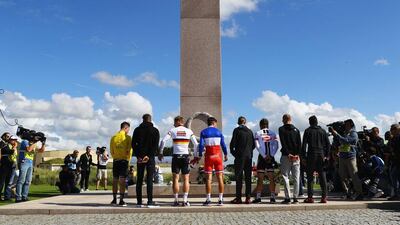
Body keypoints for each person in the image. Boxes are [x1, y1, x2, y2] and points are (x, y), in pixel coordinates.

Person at [158, 116, 198, 207]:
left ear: (178, 122)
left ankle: (176, 200)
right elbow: (196, 144)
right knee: (186, 179)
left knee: (175, 179)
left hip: (176, 156)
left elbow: (163, 141)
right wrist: (195, 156)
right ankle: (184, 200)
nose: (173, 124)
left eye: (174, 123)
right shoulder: (189, 131)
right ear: (182, 122)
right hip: (185, 157)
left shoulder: (172, 130)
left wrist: (160, 152)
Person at [196, 117, 228, 206]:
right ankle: (221, 199)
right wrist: (225, 154)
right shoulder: (219, 132)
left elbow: (201, 145)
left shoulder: (203, 132)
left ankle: (208, 199)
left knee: (208, 179)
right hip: (218, 156)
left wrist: (199, 155)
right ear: (214, 123)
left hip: (209, 156)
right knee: (220, 178)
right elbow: (223, 145)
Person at [331, 119, 363, 200]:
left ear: (351, 124)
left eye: (346, 124)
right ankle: (348, 192)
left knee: (354, 175)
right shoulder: (344, 133)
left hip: (351, 157)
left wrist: (337, 134)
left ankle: (359, 193)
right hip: (342, 157)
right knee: (343, 176)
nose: (344, 125)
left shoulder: (353, 133)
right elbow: (338, 143)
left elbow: (346, 141)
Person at [301, 115, 331, 203]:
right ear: (317, 122)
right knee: (322, 176)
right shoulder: (322, 131)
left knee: (310, 177)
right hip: (321, 155)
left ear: (310, 122)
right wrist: (327, 156)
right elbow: (328, 144)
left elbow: (304, 145)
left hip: (311, 154)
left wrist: (303, 156)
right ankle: (324, 197)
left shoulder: (308, 130)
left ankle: (310, 197)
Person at [132, 114, 160, 206]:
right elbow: (155, 145)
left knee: (139, 179)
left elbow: (133, 144)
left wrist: (138, 156)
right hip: (150, 157)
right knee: (149, 179)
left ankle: (139, 202)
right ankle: (150, 201)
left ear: (143, 120)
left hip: (140, 157)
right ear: (150, 120)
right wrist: (149, 155)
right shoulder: (155, 131)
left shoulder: (137, 130)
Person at [253, 118, 279, 204]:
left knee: (260, 179)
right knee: (271, 178)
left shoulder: (258, 133)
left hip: (262, 158)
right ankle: (272, 197)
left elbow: (257, 146)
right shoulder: (273, 133)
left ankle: (258, 197)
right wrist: (271, 155)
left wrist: (264, 156)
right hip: (271, 158)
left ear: (260, 125)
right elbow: (277, 146)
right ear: (268, 125)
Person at [229, 116, 255, 204]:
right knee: (248, 178)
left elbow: (232, 144)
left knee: (239, 177)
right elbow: (254, 145)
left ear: (238, 122)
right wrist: (249, 152)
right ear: (245, 122)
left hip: (239, 157)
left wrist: (234, 154)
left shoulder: (237, 130)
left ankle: (238, 198)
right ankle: (248, 198)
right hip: (249, 157)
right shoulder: (250, 131)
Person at [15, 134, 46, 203]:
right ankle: (18, 197)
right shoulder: (25, 141)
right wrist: (35, 142)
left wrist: (43, 143)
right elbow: (29, 149)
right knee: (21, 180)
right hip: (24, 161)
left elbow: (41, 151)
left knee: (28, 181)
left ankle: (24, 196)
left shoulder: (33, 144)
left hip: (30, 162)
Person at [279, 114, 301, 204]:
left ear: (283, 120)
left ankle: (288, 197)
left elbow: (283, 142)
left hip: (286, 156)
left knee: (286, 176)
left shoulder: (281, 129)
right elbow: (299, 143)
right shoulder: (296, 130)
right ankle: (295, 197)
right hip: (296, 157)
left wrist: (288, 153)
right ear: (290, 119)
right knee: (296, 177)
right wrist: (297, 154)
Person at [110, 121, 132, 207]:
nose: (128, 131)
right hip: (123, 161)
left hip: (115, 160)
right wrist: (128, 160)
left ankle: (114, 199)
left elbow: (111, 151)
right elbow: (129, 150)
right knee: (122, 181)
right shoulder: (128, 137)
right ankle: (121, 200)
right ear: (126, 128)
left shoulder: (113, 137)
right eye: (128, 129)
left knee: (115, 180)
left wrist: (115, 156)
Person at [0, 134, 17, 201]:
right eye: (7, 136)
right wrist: (14, 146)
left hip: (9, 164)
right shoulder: (2, 143)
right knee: (1, 181)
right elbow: (10, 152)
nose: (9, 137)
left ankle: (7, 196)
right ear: (3, 137)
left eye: (9, 136)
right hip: (4, 164)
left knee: (8, 181)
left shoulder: (7, 144)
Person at [388, 124, 400, 200]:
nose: (391, 131)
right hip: (396, 161)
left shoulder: (398, 138)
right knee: (394, 177)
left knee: (395, 176)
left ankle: (397, 194)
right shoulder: (393, 138)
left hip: (398, 161)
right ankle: (396, 194)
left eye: (392, 129)